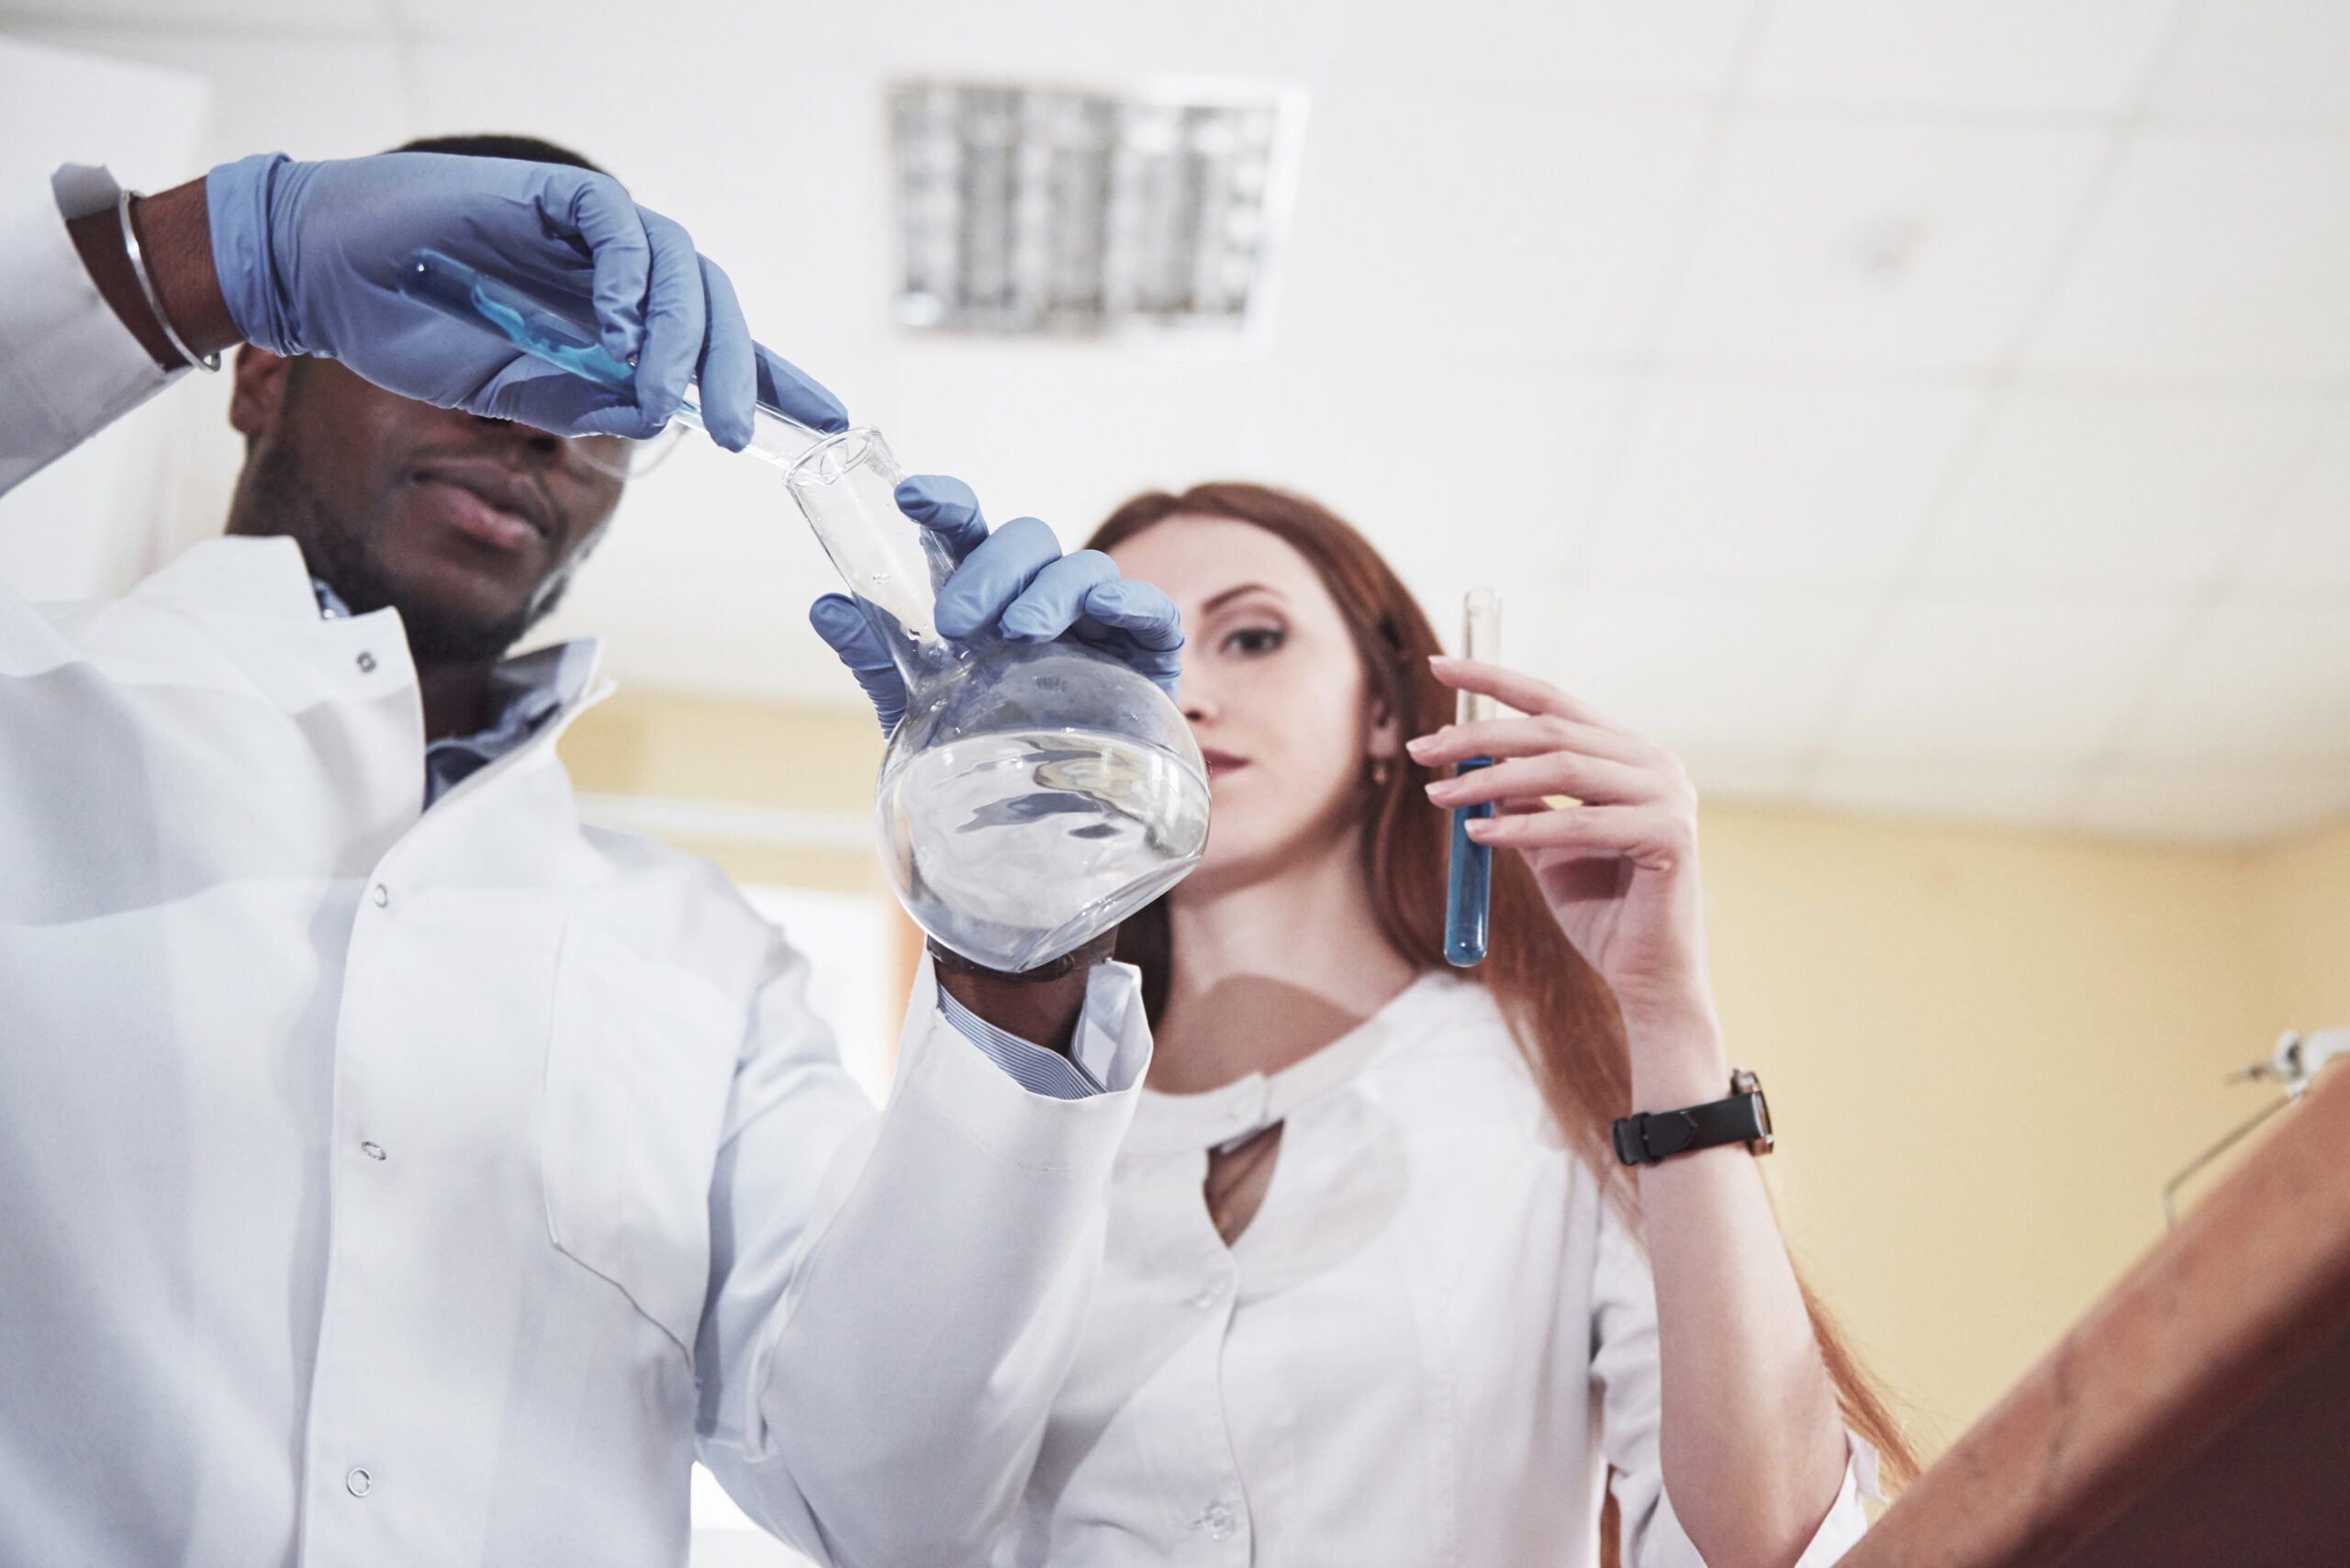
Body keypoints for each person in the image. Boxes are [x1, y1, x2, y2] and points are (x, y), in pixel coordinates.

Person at [0, 138, 1187, 1567]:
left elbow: (884, 1494)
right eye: (476, 330)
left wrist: (1026, 943)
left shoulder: (700, 952)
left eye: (602, 394)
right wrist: (183, 262)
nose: (541, 429)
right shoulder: (26, 715)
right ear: (265, 367)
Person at [816, 483, 1919, 1567]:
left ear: (1386, 713)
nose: (1185, 693)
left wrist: (1668, 1011)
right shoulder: (1013, 1108)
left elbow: (1771, 1545)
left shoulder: (1549, 1081)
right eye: (1124, 656)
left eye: (1251, 637)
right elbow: (879, 1516)